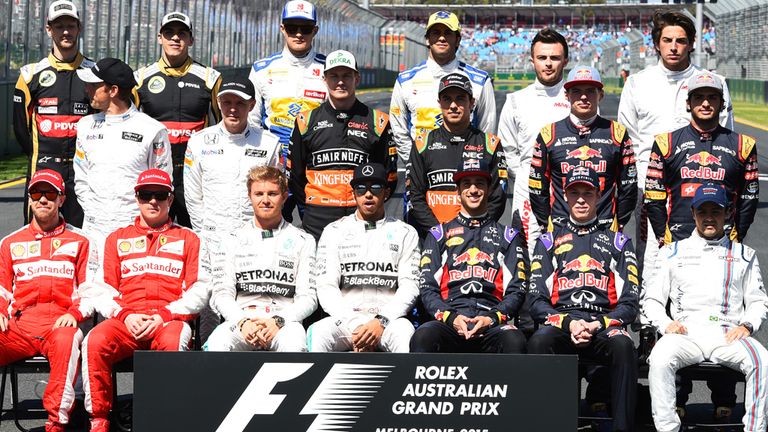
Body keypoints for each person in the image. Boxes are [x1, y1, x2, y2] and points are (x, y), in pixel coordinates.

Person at [81, 169, 209, 432]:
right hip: (127, 319)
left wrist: (164, 314)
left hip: (168, 320)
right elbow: (101, 289)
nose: (153, 201)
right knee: (94, 341)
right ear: (137, 198)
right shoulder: (116, 238)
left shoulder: (190, 238)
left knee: (175, 342)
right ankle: (99, 420)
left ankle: (168, 418)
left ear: (171, 199)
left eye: (160, 195)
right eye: (146, 194)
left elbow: (200, 290)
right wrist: (125, 314)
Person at [643, 184, 768, 432]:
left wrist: (747, 325)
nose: (709, 217)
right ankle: (667, 429)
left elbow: (758, 301)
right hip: (686, 332)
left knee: (762, 360)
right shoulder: (672, 252)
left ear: (728, 214)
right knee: (659, 358)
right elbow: (652, 300)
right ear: (693, 214)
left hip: (728, 333)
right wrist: (666, 324)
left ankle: (755, 428)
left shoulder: (744, 254)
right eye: (703, 211)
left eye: (716, 211)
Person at [617, 10, 733, 275]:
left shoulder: (713, 83)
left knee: (705, 254)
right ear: (656, 43)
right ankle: (651, 312)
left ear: (692, 43)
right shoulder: (637, 83)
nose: (673, 46)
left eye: (680, 40)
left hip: (700, 183)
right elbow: (627, 140)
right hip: (649, 187)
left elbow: (727, 138)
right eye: (667, 40)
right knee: (651, 254)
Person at [528, 166, 639, 432]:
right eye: (574, 192)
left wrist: (599, 324)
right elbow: (535, 299)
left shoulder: (620, 242)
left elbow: (630, 302)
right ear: (564, 197)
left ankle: (622, 427)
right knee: (538, 341)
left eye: (587, 193)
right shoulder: (546, 241)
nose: (580, 199)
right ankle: (542, 424)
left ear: (598, 196)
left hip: (603, 324)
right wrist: (568, 324)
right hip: (562, 322)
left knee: (625, 347)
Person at [0, 169, 100, 432]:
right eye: (36, 193)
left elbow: (91, 290)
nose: (42, 199)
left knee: (69, 339)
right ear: (30, 200)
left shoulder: (81, 240)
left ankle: (56, 423)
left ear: (61, 199)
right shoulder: (10, 242)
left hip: (59, 325)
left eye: (50, 194)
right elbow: (2, 287)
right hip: (19, 327)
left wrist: (76, 314)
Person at [409, 159, 527, 354]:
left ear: (489, 189)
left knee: (514, 340)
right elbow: (428, 289)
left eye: (480, 183)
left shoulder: (508, 236)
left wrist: (491, 318)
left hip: (491, 322)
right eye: (467, 184)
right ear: (458, 190)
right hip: (450, 320)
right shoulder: (438, 234)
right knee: (424, 335)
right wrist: (451, 318)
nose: (473, 190)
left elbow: (516, 289)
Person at [308, 163, 419, 353]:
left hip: (387, 321)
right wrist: (354, 325)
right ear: (353, 193)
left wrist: (380, 321)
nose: (368, 194)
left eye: (375, 188)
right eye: (361, 188)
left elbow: (410, 287)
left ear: (386, 192)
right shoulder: (334, 230)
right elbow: (326, 286)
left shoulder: (405, 232)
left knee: (406, 333)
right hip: (345, 320)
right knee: (318, 332)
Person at [288, 50, 397, 240]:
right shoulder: (305, 121)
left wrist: (369, 207)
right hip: (317, 218)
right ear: (324, 79)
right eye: (334, 76)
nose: (340, 81)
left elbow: (390, 175)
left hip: (363, 217)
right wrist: (311, 208)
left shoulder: (378, 121)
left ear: (357, 78)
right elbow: (295, 176)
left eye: (346, 75)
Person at [206, 166, 316, 352]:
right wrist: (242, 322)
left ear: (284, 196)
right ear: (249, 196)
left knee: (294, 345)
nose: (265, 200)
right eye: (259, 194)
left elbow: (309, 298)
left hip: (284, 322)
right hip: (241, 321)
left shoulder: (303, 240)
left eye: (272, 193)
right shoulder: (231, 239)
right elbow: (221, 294)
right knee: (217, 344)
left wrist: (279, 321)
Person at [645, 70, 758, 244]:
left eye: (712, 97)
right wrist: (663, 237)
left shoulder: (744, 145)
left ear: (722, 103)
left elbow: (749, 199)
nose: (705, 103)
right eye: (698, 97)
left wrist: (737, 237)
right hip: (677, 242)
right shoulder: (664, 143)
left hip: (725, 243)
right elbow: (653, 196)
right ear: (688, 103)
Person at [134, 11, 222, 227]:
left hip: (196, 174)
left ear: (191, 39)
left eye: (182, 33)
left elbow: (223, 128)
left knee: (197, 237)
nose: (175, 38)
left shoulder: (210, 78)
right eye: (169, 32)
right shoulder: (141, 78)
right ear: (159, 37)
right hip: (156, 174)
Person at [73, 58, 172, 249]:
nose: (87, 89)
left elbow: (163, 182)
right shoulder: (85, 126)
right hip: (94, 227)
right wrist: (94, 210)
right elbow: (81, 178)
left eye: (94, 85)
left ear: (113, 90)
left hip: (136, 228)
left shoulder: (152, 129)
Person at [13, 0, 94, 227]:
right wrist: (39, 155)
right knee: (39, 232)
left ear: (79, 28)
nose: (66, 31)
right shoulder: (30, 75)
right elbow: (21, 128)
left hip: (84, 171)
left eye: (71, 25)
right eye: (59, 26)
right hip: (44, 168)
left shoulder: (93, 74)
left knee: (84, 235)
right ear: (49, 29)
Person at [529, 66, 637, 232]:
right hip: (560, 228)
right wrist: (546, 223)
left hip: (605, 229)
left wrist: (620, 222)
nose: (584, 97)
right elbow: (537, 186)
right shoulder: (548, 134)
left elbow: (628, 185)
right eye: (577, 91)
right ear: (567, 95)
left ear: (601, 94)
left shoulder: (618, 133)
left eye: (591, 91)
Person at [248, 0, 327, 220]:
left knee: (318, 227)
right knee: (270, 226)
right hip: (275, 160)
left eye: (306, 28)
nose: (299, 34)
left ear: (315, 30)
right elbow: (252, 121)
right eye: (292, 27)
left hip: (314, 162)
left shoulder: (329, 67)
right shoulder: (262, 69)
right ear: (282, 28)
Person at [406, 73, 507, 238]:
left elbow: (498, 197)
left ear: (472, 103)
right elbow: (415, 196)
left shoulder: (490, 144)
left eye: (460, 98)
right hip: (433, 237)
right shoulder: (422, 143)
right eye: (447, 99)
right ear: (439, 103)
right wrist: (438, 233)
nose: (453, 105)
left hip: (476, 237)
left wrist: (473, 230)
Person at [497, 28, 571, 253]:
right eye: (542, 58)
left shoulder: (575, 99)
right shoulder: (516, 101)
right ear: (532, 61)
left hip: (568, 187)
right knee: (525, 251)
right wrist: (526, 176)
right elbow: (506, 148)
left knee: (567, 249)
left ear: (565, 61)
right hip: (527, 188)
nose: (548, 63)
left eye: (555, 58)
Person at [389, 10, 496, 162]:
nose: (441, 38)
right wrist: (414, 164)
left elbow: (487, 130)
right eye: (436, 32)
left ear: (458, 40)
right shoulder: (405, 80)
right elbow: (398, 128)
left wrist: (472, 166)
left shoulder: (479, 80)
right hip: (421, 173)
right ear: (427, 39)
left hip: (466, 173)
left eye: (448, 33)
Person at [184, 75, 281, 242]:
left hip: (255, 236)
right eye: (227, 102)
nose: (233, 109)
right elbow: (193, 195)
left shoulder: (269, 143)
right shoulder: (198, 141)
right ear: (219, 103)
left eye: (240, 103)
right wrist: (203, 231)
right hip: (213, 237)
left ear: (252, 106)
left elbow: (276, 193)